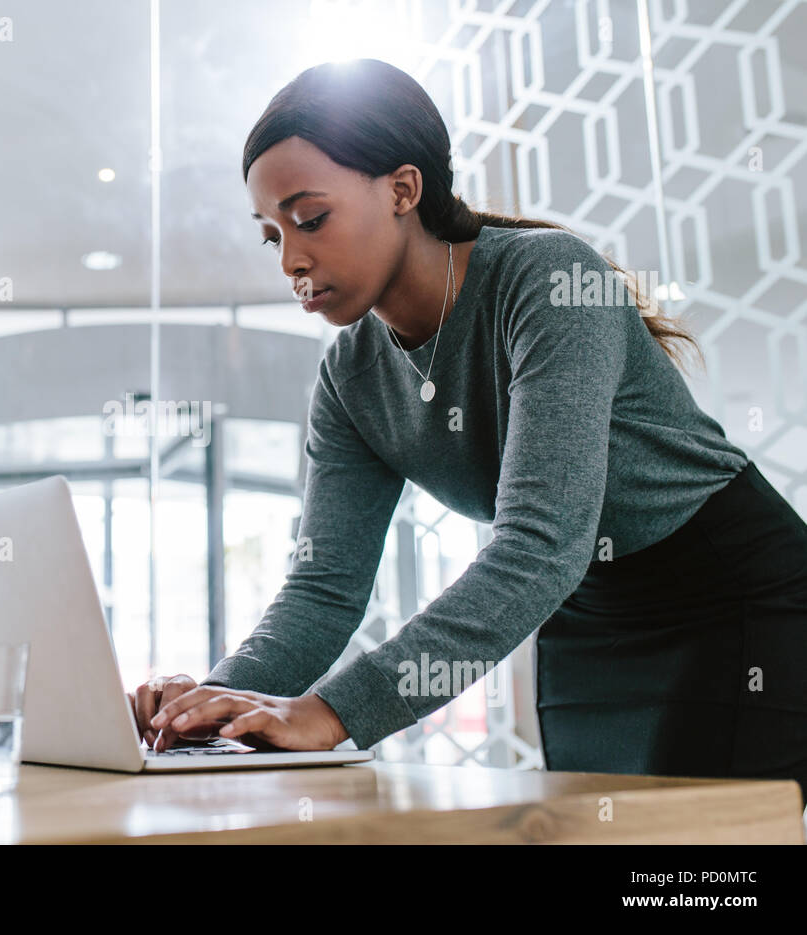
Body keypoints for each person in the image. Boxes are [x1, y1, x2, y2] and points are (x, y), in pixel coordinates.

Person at [128, 59, 807, 806]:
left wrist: (332, 713)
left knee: (704, 870)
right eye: (272, 235)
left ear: (403, 190)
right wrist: (208, 705)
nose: (292, 259)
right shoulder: (349, 378)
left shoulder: (548, 281)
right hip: (587, 613)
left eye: (310, 218)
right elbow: (324, 589)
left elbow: (541, 546)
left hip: (734, 596)